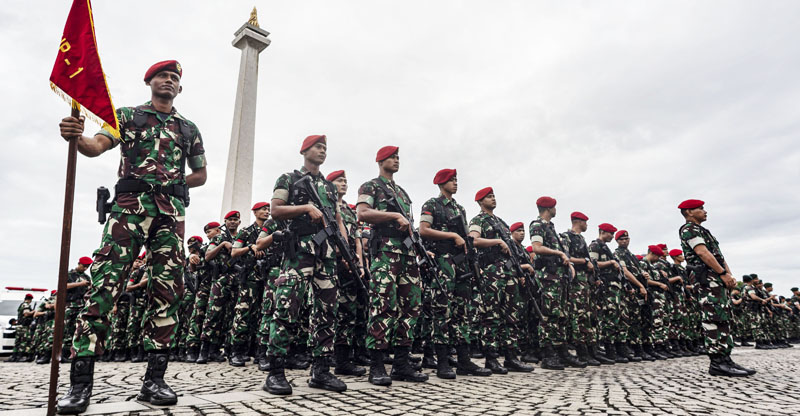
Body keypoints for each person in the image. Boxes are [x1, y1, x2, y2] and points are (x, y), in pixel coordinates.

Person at [57, 60, 207, 413]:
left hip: (169, 217)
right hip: (127, 212)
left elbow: (200, 174)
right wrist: (77, 137)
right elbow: (97, 145)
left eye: (174, 78)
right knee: (104, 286)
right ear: (149, 82)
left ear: (179, 89)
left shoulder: (188, 129)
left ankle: (155, 380)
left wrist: (173, 183)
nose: (168, 81)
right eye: (163, 76)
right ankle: (80, 385)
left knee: (167, 291)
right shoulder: (126, 116)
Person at [264, 134, 348, 395]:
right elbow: (275, 210)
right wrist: (304, 209)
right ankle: (276, 372)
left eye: (325, 148)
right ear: (304, 151)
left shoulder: (330, 187)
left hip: (326, 254)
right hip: (299, 252)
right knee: (288, 307)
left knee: (327, 311)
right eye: (318, 147)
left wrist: (345, 249)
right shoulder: (288, 179)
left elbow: (337, 219)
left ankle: (321, 371)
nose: (323, 151)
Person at [357, 146, 429, 386]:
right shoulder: (371, 187)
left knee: (411, 308)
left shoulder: (402, 193)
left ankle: (401, 363)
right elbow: (363, 213)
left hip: (407, 255)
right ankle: (377, 365)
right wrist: (392, 217)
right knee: (383, 306)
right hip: (386, 254)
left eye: (398, 157)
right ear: (380, 161)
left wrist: (418, 246)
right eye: (392, 157)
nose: (396, 160)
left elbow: (407, 225)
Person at [419, 169, 492, 379]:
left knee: (463, 311)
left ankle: (464, 360)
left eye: (456, 180)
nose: (455, 183)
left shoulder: (459, 208)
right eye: (452, 180)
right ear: (442, 183)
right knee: (441, 309)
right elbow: (423, 229)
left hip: (460, 263)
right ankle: (442, 361)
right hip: (442, 262)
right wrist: (451, 235)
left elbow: (466, 237)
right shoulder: (432, 204)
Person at [677, 199, 754, 377]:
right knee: (713, 319)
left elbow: (718, 255)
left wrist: (728, 274)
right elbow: (702, 253)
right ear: (689, 212)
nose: (705, 211)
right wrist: (721, 273)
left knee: (723, 317)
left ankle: (726, 359)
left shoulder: (703, 231)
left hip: (716, 279)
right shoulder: (689, 229)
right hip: (708, 280)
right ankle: (717, 362)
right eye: (700, 208)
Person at [468, 187, 534, 374]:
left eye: (494, 196)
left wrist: (520, 274)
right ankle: (491, 358)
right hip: (491, 274)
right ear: (481, 201)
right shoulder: (478, 220)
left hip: (510, 273)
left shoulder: (502, 223)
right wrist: (496, 242)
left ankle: (511, 357)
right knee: (491, 315)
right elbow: (472, 241)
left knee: (512, 316)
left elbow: (512, 251)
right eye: (489, 197)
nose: (493, 199)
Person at [326, 170, 368, 377]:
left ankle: (344, 359)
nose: (344, 184)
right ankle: (326, 356)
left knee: (349, 311)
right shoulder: (325, 205)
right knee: (328, 311)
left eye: (345, 181)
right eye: (339, 180)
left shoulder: (350, 211)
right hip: (331, 263)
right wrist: (339, 255)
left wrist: (358, 261)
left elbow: (358, 239)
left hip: (349, 264)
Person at [529, 196, 575, 370]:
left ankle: (560, 351)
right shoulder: (537, 224)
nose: (556, 210)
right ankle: (548, 354)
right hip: (547, 277)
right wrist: (559, 254)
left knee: (560, 315)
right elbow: (537, 247)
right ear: (550, 208)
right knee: (548, 316)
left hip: (558, 277)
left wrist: (566, 263)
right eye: (555, 207)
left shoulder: (550, 227)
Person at [228, 202, 270, 366]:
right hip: (250, 277)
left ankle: (259, 352)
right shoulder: (246, 231)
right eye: (263, 209)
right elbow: (234, 252)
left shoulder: (270, 230)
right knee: (244, 313)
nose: (266, 211)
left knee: (263, 314)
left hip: (266, 276)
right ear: (254, 212)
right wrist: (250, 247)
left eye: (268, 209)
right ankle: (237, 351)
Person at [560, 212, 603, 366]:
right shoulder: (567, 237)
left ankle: (592, 350)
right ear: (579, 221)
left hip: (586, 283)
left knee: (590, 316)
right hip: (576, 283)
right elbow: (566, 258)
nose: (587, 225)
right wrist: (585, 262)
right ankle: (582, 352)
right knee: (579, 317)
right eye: (585, 222)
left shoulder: (581, 239)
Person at [198, 211, 241, 364]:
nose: (232, 222)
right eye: (230, 220)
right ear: (225, 222)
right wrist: (222, 245)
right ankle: (204, 349)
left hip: (237, 279)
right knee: (213, 314)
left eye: (235, 220)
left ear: (239, 222)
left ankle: (219, 350)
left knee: (230, 316)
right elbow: (208, 256)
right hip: (221, 280)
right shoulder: (218, 238)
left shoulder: (243, 237)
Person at [62, 257, 93, 363]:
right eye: (83, 266)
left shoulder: (86, 277)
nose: (85, 268)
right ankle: (64, 353)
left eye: (87, 267)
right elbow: (63, 286)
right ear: (79, 263)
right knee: (67, 329)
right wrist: (80, 284)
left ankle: (75, 352)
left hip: (81, 306)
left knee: (78, 330)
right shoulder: (69, 275)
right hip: (70, 305)